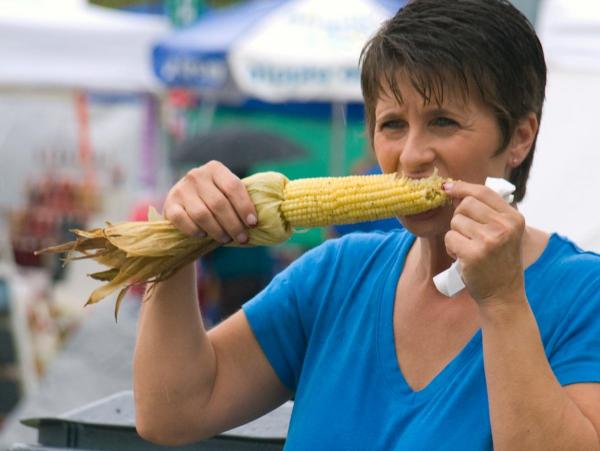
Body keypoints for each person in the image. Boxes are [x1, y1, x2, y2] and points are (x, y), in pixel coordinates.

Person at [133, 1, 600, 449]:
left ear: (519, 138)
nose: (411, 156)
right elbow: (173, 412)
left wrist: (502, 301)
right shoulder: (336, 275)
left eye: (443, 122)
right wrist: (176, 249)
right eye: (392, 124)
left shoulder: (584, 295)